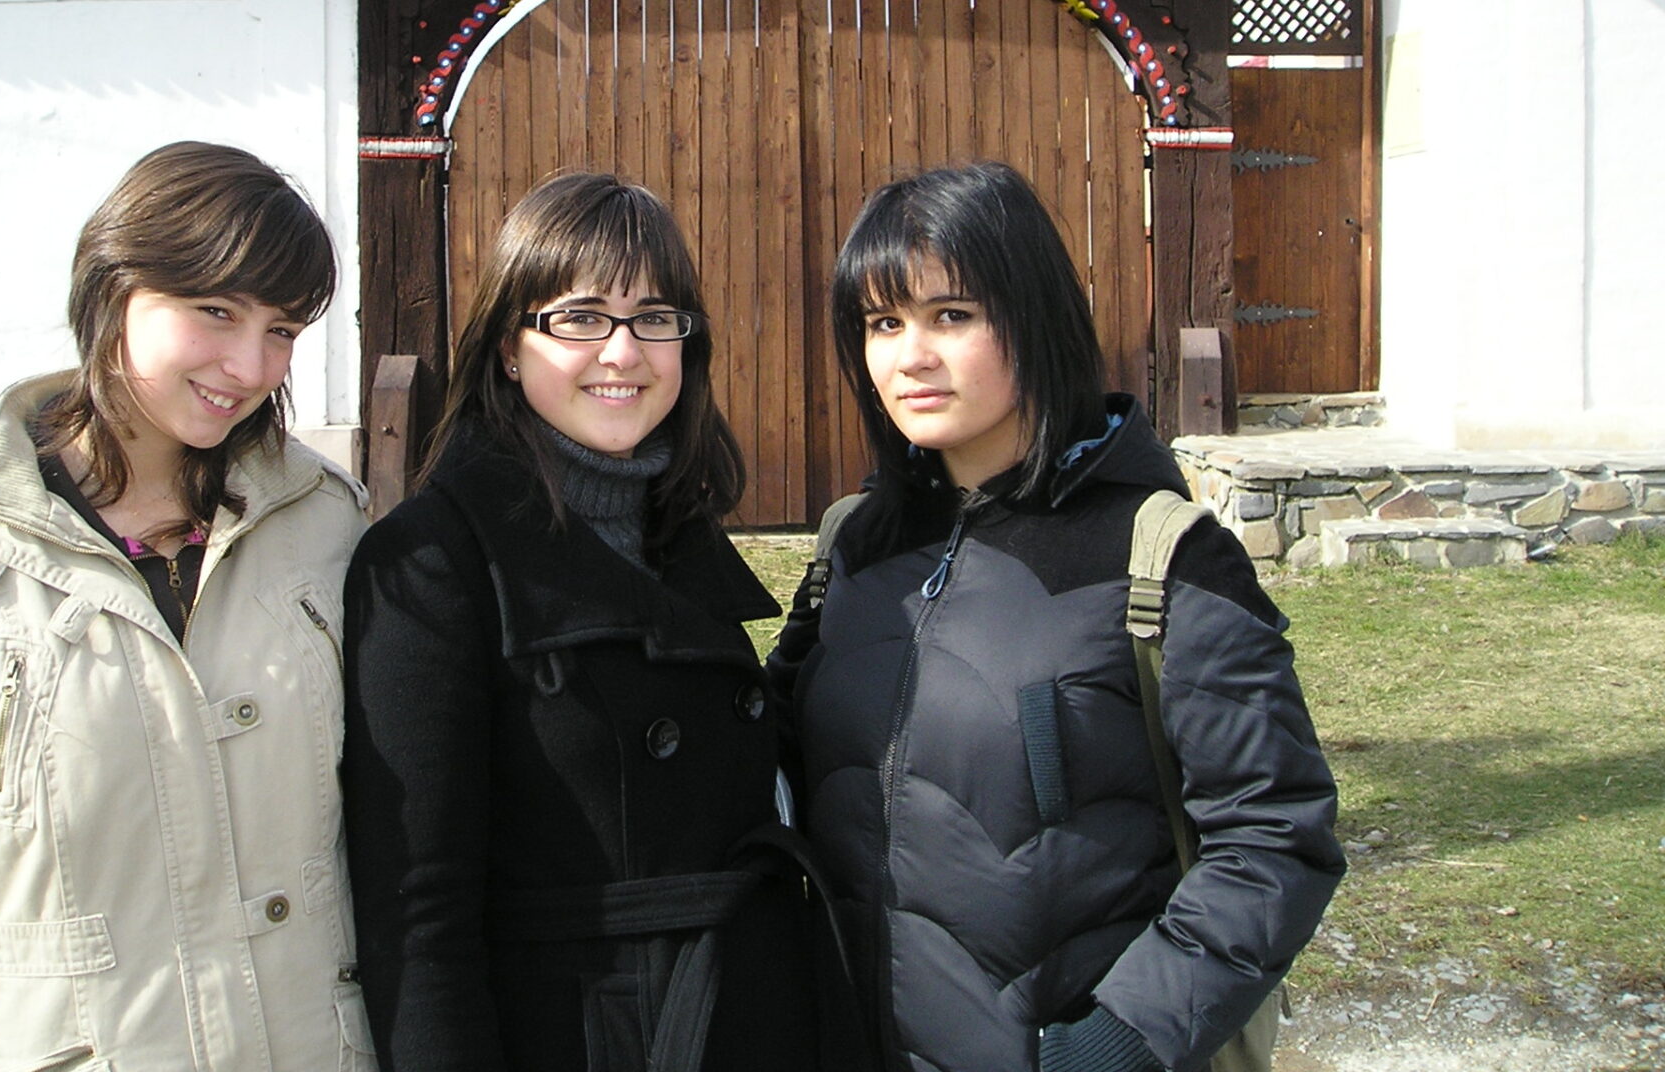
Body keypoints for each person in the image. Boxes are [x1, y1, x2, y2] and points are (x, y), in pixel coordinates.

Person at [768, 161, 1345, 1072]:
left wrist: (1114, 1045)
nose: (911, 356)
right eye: (883, 323)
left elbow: (1274, 835)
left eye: (951, 315)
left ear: (1033, 317)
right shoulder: (856, 545)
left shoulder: (1159, 556)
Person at [0, 142, 374, 1071]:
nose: (251, 365)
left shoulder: (324, 524)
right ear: (113, 287)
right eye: (215, 312)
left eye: (282, 329)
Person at [342, 170, 819, 1072]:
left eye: (654, 318)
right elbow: (419, 915)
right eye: (581, 318)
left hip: (746, 1009)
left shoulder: (678, 531)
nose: (623, 352)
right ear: (509, 347)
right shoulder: (432, 562)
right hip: (586, 1034)